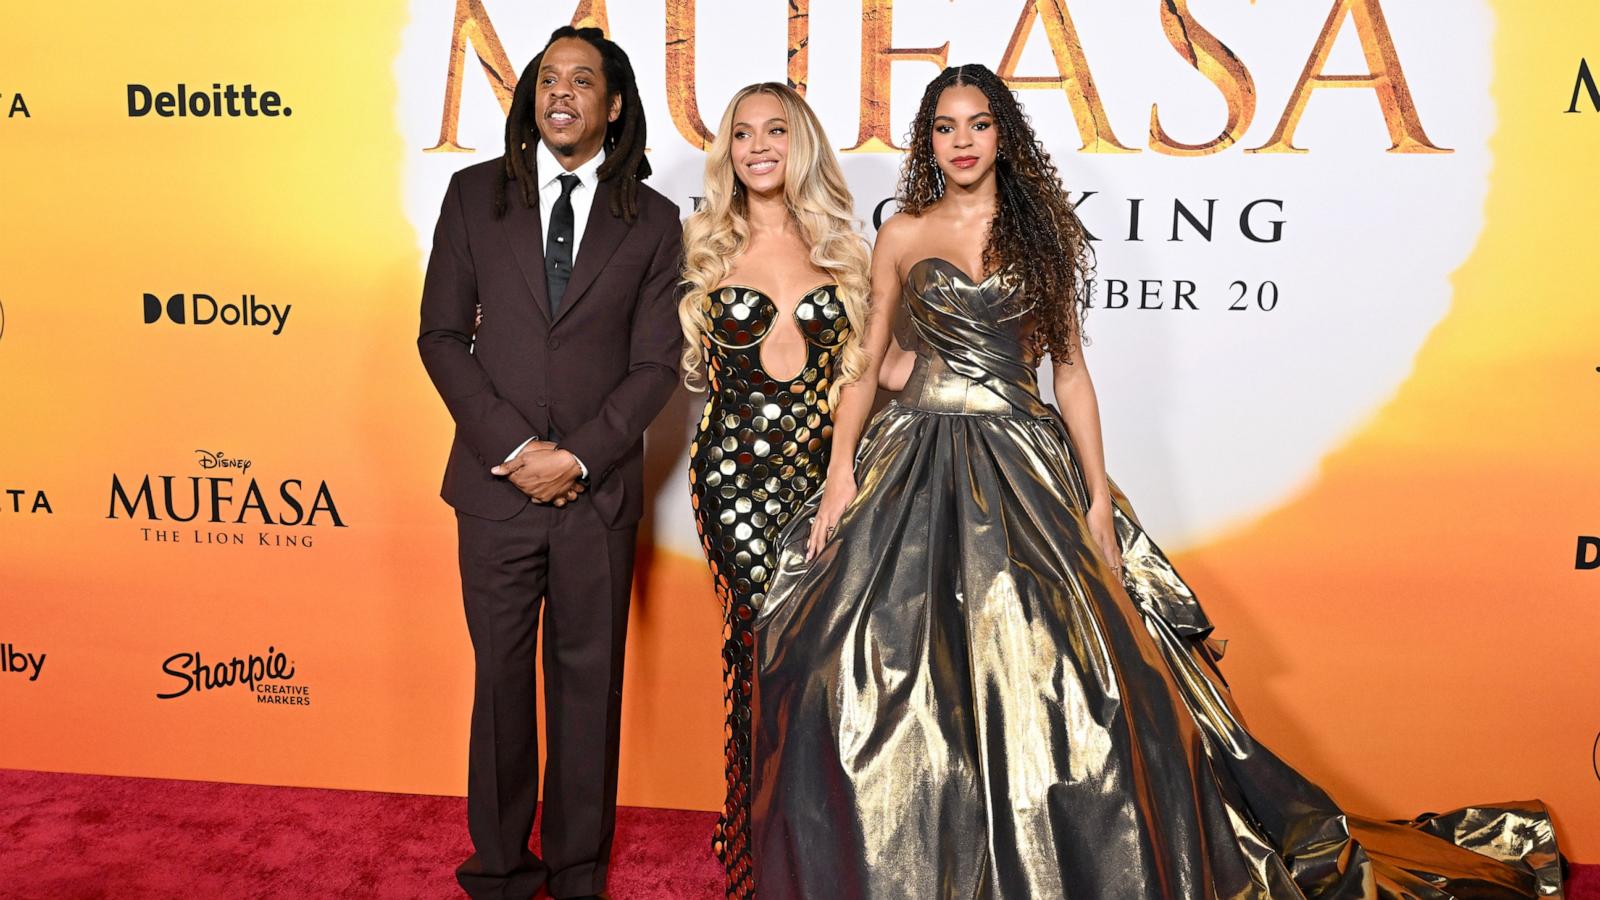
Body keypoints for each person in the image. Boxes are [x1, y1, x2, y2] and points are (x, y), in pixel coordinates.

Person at [750, 64, 1561, 899]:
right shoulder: (902, 235)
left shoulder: (1042, 233)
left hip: (1022, 463)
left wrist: (1098, 499)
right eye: (946, 127)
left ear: (1003, 135)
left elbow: (1068, 376)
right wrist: (842, 470)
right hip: (911, 460)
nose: (962, 142)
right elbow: (865, 362)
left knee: (1067, 679)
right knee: (851, 665)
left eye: (979, 124)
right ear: (929, 141)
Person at [417, 26, 683, 900]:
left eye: (583, 81)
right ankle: (499, 871)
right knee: (499, 688)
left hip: (595, 497)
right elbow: (443, 338)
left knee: (586, 692)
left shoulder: (653, 222)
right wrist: (517, 450)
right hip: (493, 494)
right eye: (548, 80)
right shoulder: (470, 196)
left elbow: (655, 367)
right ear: (534, 98)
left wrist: (578, 458)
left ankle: (576, 876)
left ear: (613, 105)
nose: (561, 93)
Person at [678, 82, 871, 899]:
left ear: (804, 145)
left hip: (824, 483)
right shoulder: (704, 247)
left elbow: (871, 371)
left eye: (776, 131)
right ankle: (751, 844)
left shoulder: (844, 251)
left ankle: (812, 834)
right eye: (743, 133)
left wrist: (843, 473)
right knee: (755, 654)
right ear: (729, 151)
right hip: (733, 480)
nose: (759, 146)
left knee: (822, 666)